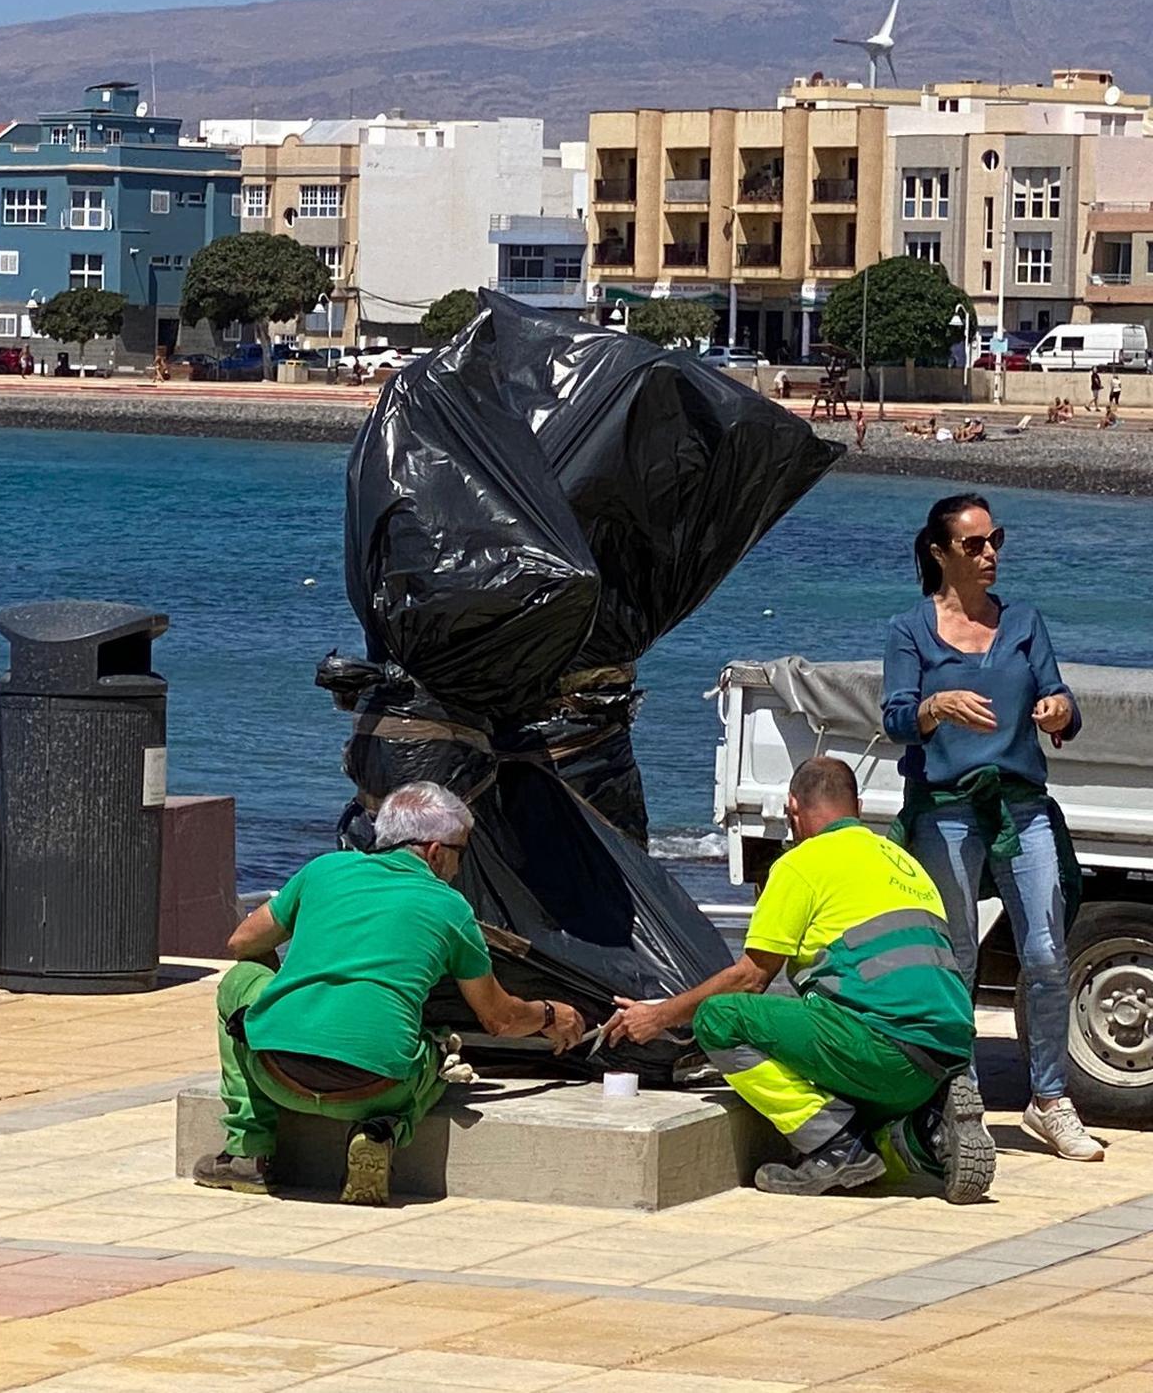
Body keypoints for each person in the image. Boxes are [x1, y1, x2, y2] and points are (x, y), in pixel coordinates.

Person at [605, 757, 985, 1200]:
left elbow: (750, 979)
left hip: (881, 1048)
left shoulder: (802, 864)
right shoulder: (904, 863)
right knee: (848, 1062)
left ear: (792, 808)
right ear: (856, 807)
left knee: (719, 1018)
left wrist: (661, 1016)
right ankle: (927, 1131)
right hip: (946, 1053)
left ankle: (833, 1146)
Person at [194, 782, 584, 1207]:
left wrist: (290, 995)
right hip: (373, 1088)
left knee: (239, 980)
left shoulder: (325, 870)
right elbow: (500, 1019)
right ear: (435, 852)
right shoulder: (451, 908)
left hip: (277, 1074)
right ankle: (380, 1130)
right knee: (434, 1051)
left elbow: (242, 944)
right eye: (461, 854)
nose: (458, 868)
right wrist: (551, 1015)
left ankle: (247, 1151)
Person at [882, 493, 1099, 1162]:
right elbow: (894, 720)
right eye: (974, 544)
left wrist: (1060, 710)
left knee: (1043, 953)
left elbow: (1062, 706)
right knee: (960, 959)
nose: (989, 555)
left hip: (1021, 804)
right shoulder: (909, 629)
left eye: (994, 540)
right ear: (939, 552)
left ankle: (1050, 1101)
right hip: (946, 810)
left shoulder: (1025, 622)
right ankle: (960, 1095)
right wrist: (935, 705)